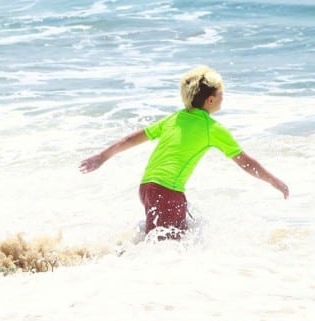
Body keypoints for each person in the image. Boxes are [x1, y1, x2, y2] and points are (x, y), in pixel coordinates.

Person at [79, 66, 289, 240]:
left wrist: (103, 156)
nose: (223, 98)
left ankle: (118, 258)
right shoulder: (211, 128)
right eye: (220, 94)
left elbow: (132, 138)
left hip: (147, 187)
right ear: (210, 100)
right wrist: (274, 181)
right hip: (167, 192)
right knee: (165, 248)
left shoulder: (174, 118)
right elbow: (245, 162)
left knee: (176, 235)